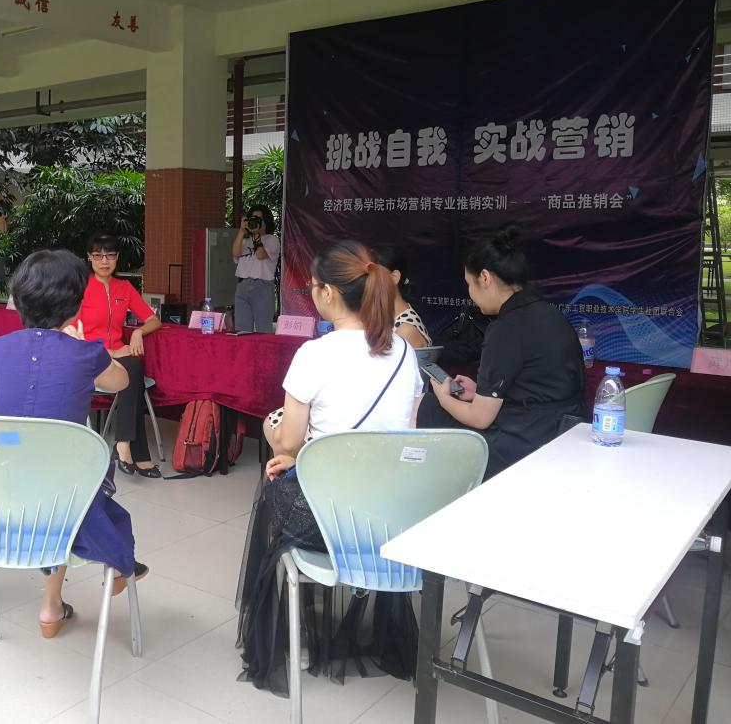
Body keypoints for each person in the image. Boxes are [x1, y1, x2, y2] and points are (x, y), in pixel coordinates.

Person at [237, 240, 424, 696]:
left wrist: (279, 437)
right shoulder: (404, 352)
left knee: (276, 476)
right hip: (390, 519)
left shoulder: (315, 354)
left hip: (326, 520)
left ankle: (298, 631)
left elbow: (289, 441)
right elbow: (406, 437)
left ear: (327, 293)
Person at [0, 249, 148, 637]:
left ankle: (55, 605)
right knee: (66, 485)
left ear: (18, 301)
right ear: (76, 304)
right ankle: (54, 604)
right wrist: (82, 343)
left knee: (47, 479)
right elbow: (122, 381)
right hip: (60, 511)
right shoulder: (85, 354)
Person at [417, 224, 584, 478]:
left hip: (523, 443)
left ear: (485, 278)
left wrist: (444, 397)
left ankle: (430, 491)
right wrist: (479, 391)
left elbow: (480, 419)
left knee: (424, 406)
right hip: (562, 430)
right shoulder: (548, 313)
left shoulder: (505, 329)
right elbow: (536, 384)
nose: (470, 294)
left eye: (469, 284)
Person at [77, 232, 162, 477]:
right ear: (89, 257)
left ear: (117, 257)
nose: (104, 261)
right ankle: (137, 452)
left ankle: (124, 445)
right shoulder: (80, 288)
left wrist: (138, 333)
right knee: (133, 369)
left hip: (118, 357)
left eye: (110, 255)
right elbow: (73, 331)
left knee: (133, 367)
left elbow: (154, 320)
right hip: (90, 356)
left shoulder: (124, 288)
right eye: (98, 256)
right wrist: (111, 351)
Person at [231, 205, 280, 333]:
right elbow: (235, 253)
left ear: (266, 221)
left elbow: (260, 255)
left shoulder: (272, 240)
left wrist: (256, 235)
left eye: (259, 219)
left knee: (263, 330)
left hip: (262, 286)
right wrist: (242, 231)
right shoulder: (245, 241)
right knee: (241, 330)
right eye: (253, 219)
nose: (255, 222)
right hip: (242, 285)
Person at [373, 243, 431, 349]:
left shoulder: (405, 330)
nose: (366, 281)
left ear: (394, 277)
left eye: (373, 274)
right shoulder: (383, 317)